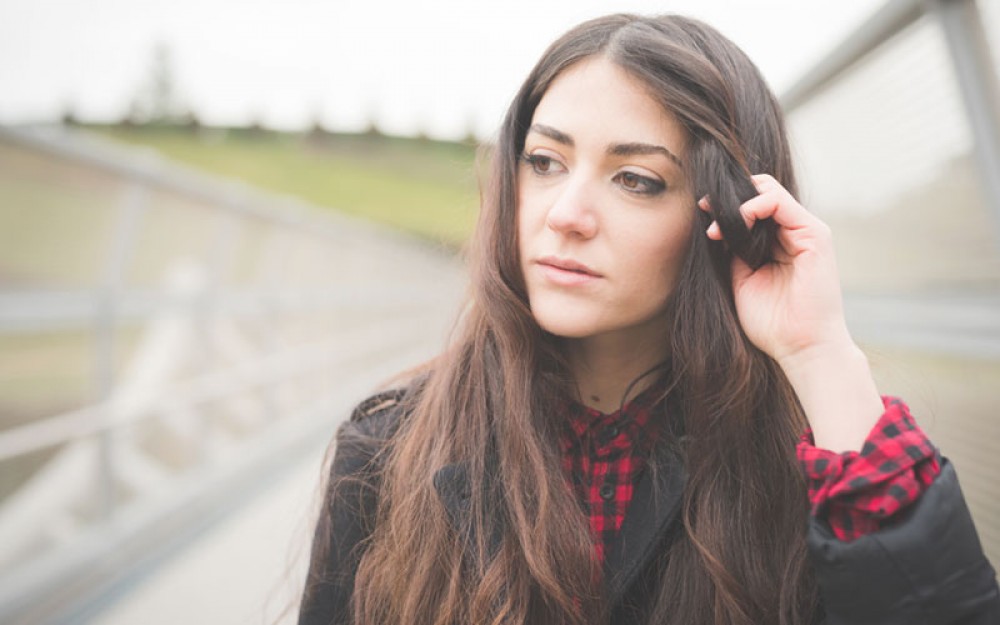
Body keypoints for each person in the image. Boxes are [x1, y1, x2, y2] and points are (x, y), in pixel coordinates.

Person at [298, 13, 999, 625]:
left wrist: (820, 353)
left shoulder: (801, 473)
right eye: (544, 161)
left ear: (722, 215)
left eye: (636, 179)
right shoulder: (387, 447)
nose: (565, 213)